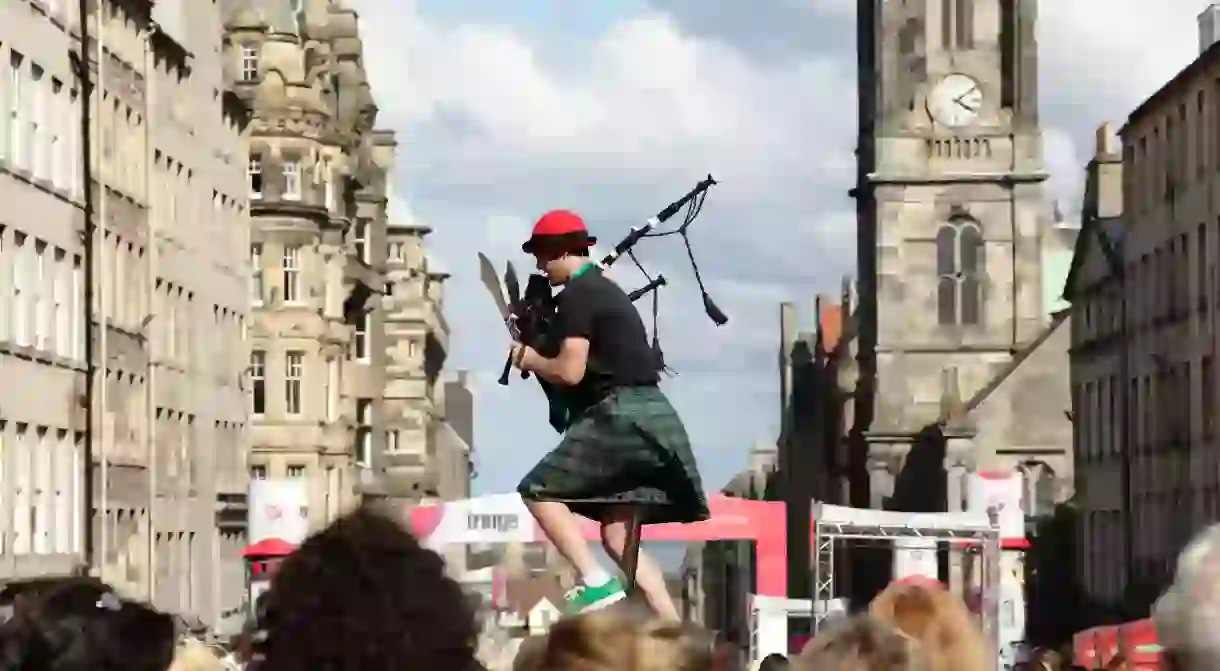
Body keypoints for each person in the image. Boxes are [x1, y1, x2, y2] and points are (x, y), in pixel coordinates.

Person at [510, 209, 710, 620]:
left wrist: (530, 357)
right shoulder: (604, 290)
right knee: (618, 537)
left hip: (621, 416)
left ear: (561, 249)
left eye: (543, 256)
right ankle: (674, 629)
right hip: (654, 415)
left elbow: (569, 371)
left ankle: (594, 582)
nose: (539, 266)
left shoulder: (580, 296)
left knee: (537, 491)